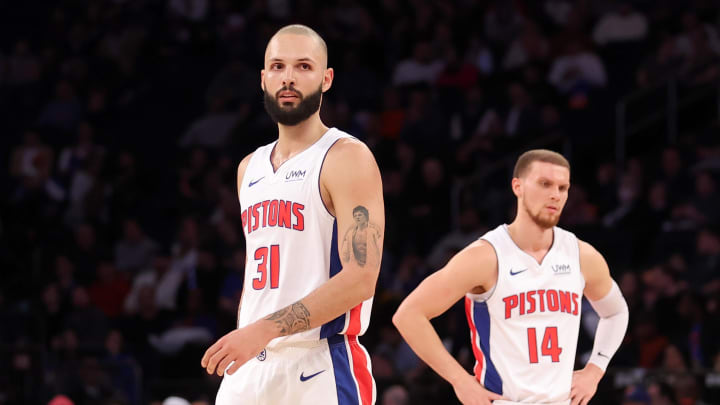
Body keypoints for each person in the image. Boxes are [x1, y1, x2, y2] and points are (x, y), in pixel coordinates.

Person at [201, 24, 384, 405]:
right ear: (263, 78)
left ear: (326, 78)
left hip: (319, 364)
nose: (288, 77)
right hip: (250, 364)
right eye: (278, 66)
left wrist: (264, 329)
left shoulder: (347, 157)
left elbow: (361, 279)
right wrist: (252, 331)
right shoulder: (247, 168)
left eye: (303, 66)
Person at [393, 150, 628, 405]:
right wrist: (459, 380)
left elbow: (616, 312)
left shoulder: (581, 255)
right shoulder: (486, 256)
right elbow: (408, 315)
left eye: (563, 187)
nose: (555, 195)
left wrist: (595, 369)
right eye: (545, 184)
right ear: (518, 186)